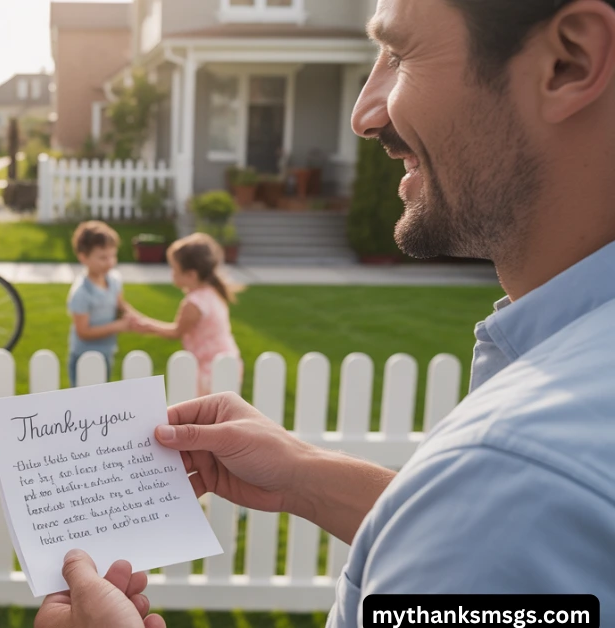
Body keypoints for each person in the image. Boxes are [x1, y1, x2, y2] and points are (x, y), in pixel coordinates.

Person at [37, 0, 615, 625]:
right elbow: (483, 546)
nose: (364, 115)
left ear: (568, 62)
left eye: (400, 55)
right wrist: (304, 475)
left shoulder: (521, 467)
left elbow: (495, 528)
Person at [131, 233, 240, 396]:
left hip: (208, 368)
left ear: (191, 275)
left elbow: (176, 332)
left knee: (203, 408)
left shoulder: (194, 303)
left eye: (174, 269)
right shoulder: (213, 291)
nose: (172, 274)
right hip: (228, 361)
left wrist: (147, 325)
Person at [67, 220, 138, 386]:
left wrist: (134, 317)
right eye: (103, 258)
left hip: (106, 352)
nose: (110, 262)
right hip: (84, 357)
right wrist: (117, 326)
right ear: (83, 257)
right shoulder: (81, 293)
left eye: (113, 256)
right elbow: (83, 331)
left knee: (103, 397)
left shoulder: (114, 280)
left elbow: (120, 305)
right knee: (84, 399)